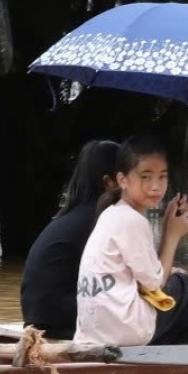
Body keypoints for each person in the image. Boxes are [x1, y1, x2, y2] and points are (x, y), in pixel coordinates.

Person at [74, 135, 188, 347]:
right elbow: (154, 283)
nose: (156, 187)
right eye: (146, 177)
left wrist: (170, 224)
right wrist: (171, 235)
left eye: (162, 177)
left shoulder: (111, 214)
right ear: (122, 180)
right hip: (126, 330)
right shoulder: (132, 221)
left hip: (95, 331)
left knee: (185, 290)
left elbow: (146, 275)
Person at [19, 139, 121, 339]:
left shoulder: (77, 214)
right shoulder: (103, 219)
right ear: (109, 182)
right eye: (130, 176)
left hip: (41, 316)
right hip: (60, 321)